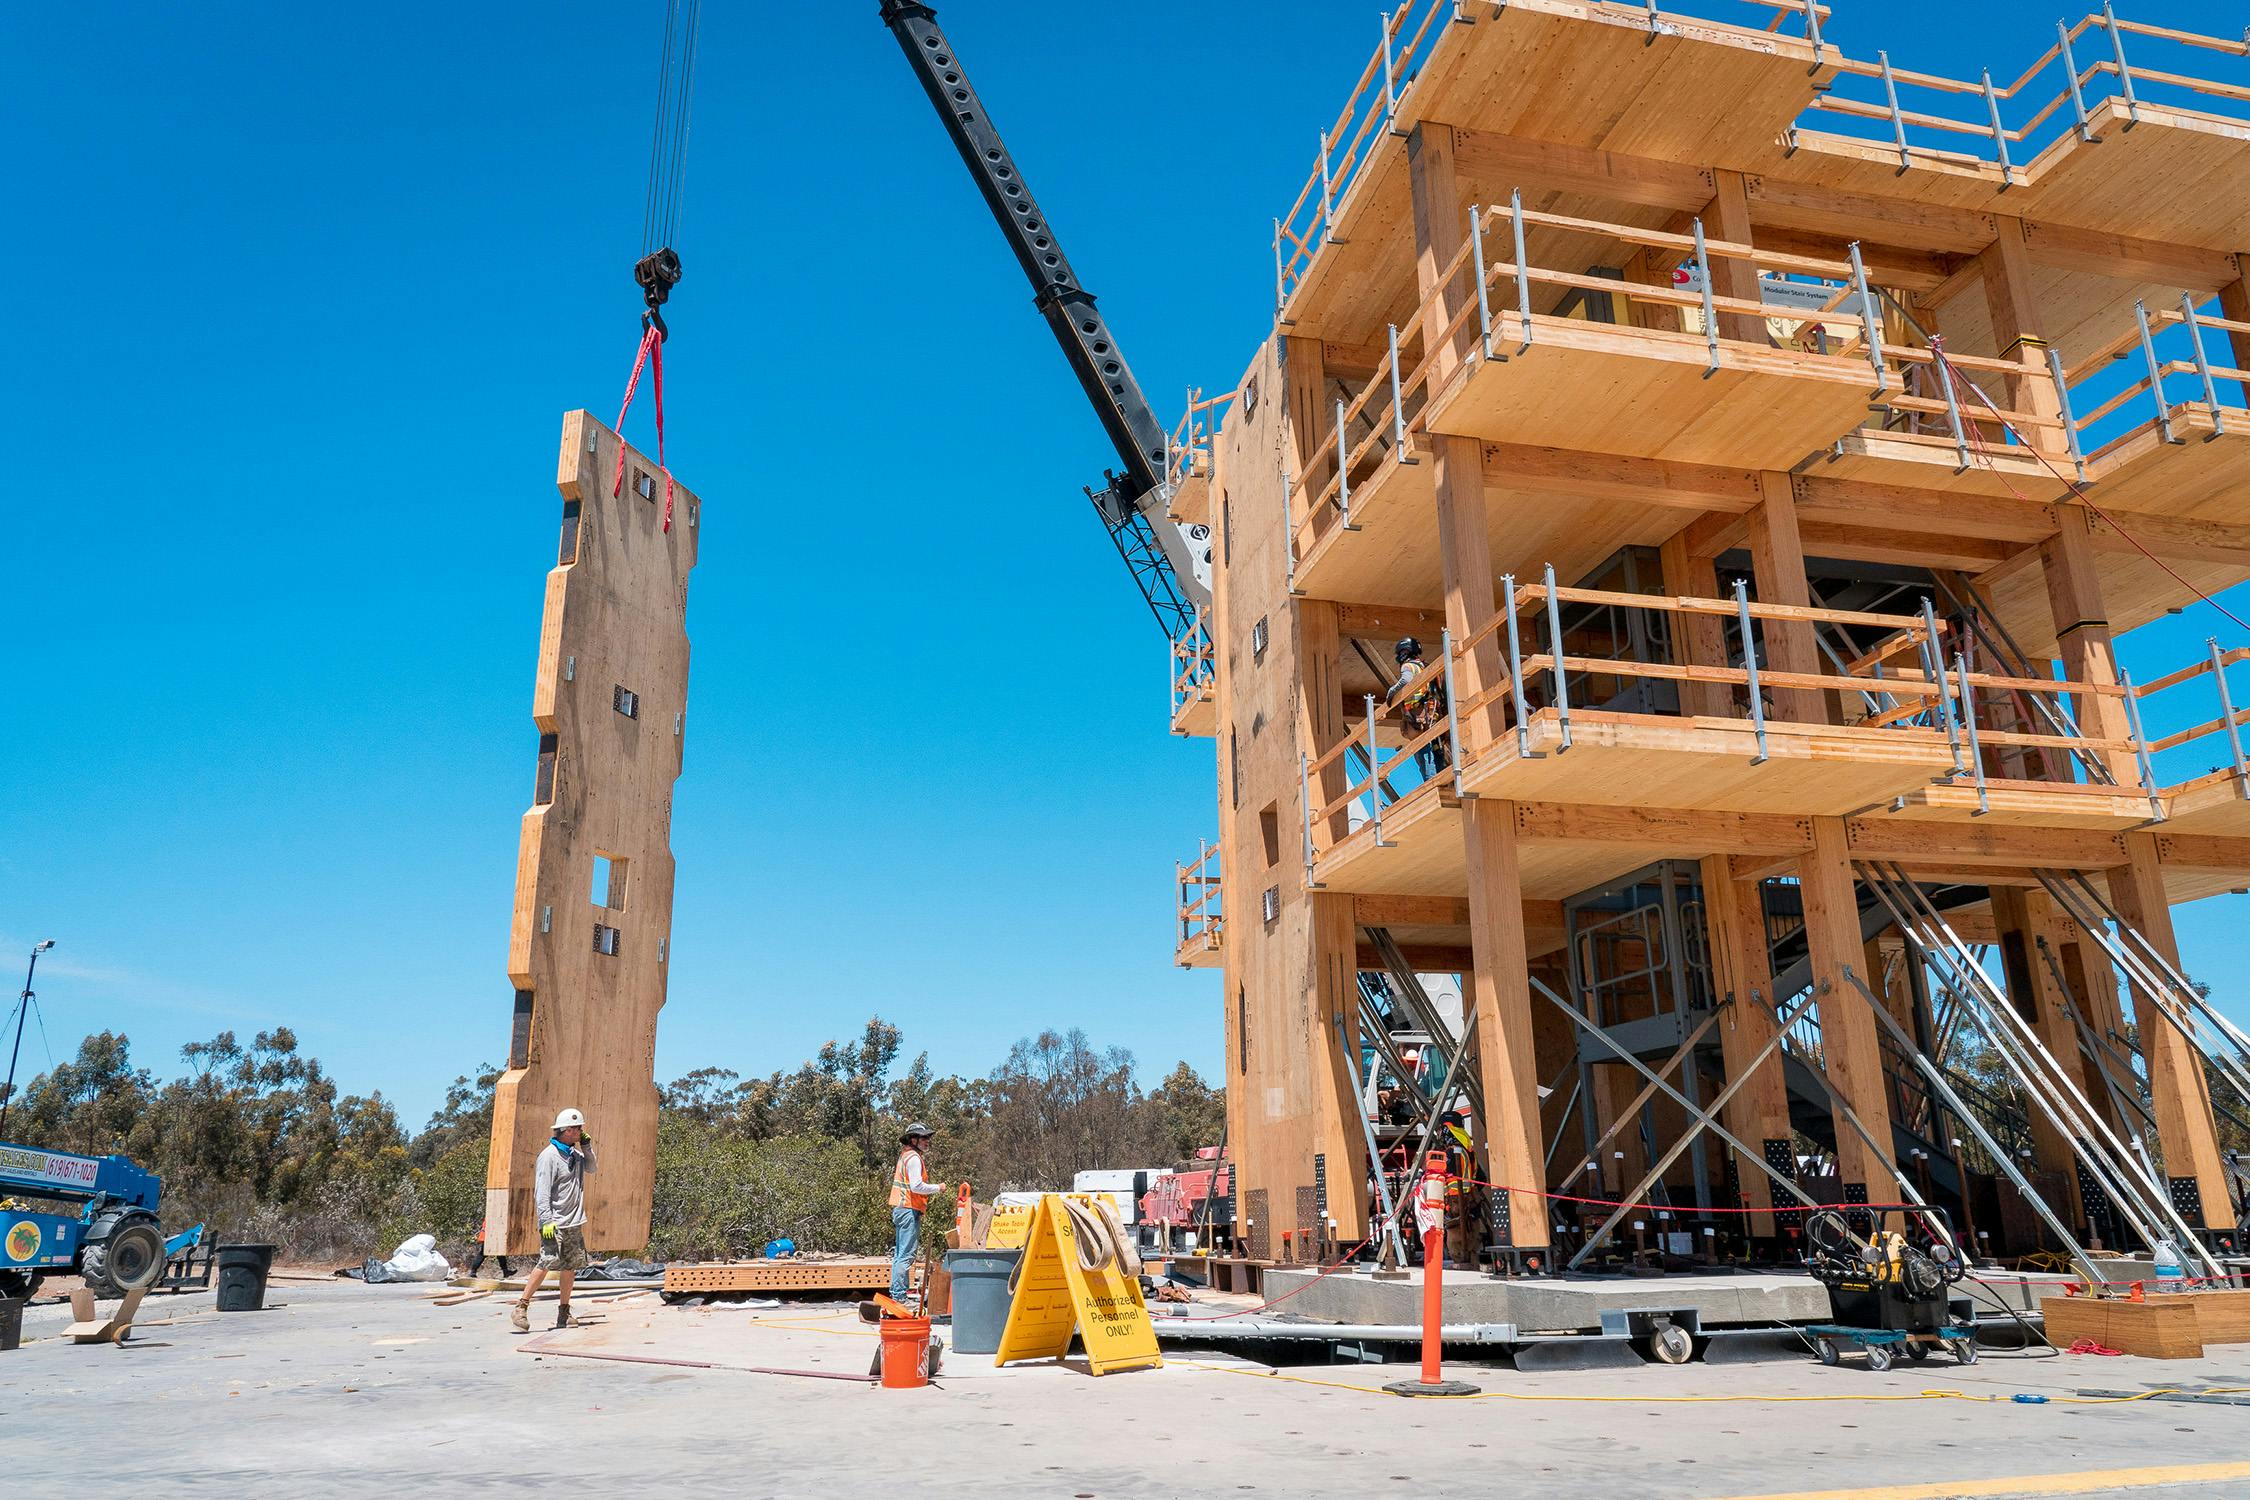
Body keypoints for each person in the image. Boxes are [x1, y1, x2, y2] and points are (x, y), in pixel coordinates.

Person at [510, 1107, 596, 1333]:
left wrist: (587, 1147)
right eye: (578, 1128)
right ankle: (521, 1307)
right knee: (546, 1262)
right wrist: (546, 1220)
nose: (581, 1131)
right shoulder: (548, 1156)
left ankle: (564, 1312)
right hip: (554, 1222)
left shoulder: (576, 1155)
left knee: (570, 1267)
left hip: (573, 1221)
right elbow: (542, 1192)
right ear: (567, 1130)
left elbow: (592, 1168)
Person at [888, 1123, 948, 1303]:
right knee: (906, 1255)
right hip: (908, 1210)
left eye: (928, 1138)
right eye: (923, 1138)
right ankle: (899, 1296)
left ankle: (898, 1293)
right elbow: (916, 1186)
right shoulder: (913, 1158)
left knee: (900, 1255)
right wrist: (939, 1187)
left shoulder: (906, 1156)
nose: (927, 1141)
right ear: (913, 1140)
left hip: (902, 1209)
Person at [1387, 637, 1450, 778]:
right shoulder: (1426, 666)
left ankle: (1432, 786)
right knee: (1437, 751)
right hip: (1434, 718)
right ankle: (1442, 782)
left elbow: (1406, 680)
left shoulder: (1408, 666)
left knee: (1424, 756)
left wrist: (1392, 691)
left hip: (1419, 720)